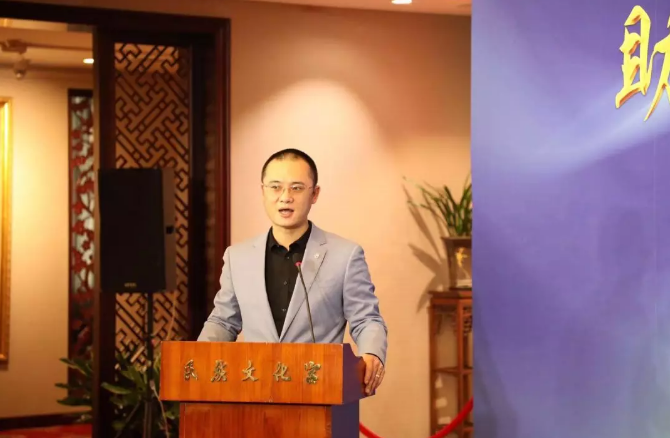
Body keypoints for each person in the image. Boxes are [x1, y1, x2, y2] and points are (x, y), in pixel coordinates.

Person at [198, 148, 388, 394]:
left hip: (319, 389)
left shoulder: (345, 255)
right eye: (275, 187)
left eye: (296, 188)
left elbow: (366, 319)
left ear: (314, 194)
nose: (285, 197)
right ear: (263, 192)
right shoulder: (238, 257)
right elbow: (224, 321)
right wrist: (197, 355)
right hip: (254, 390)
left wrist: (372, 352)